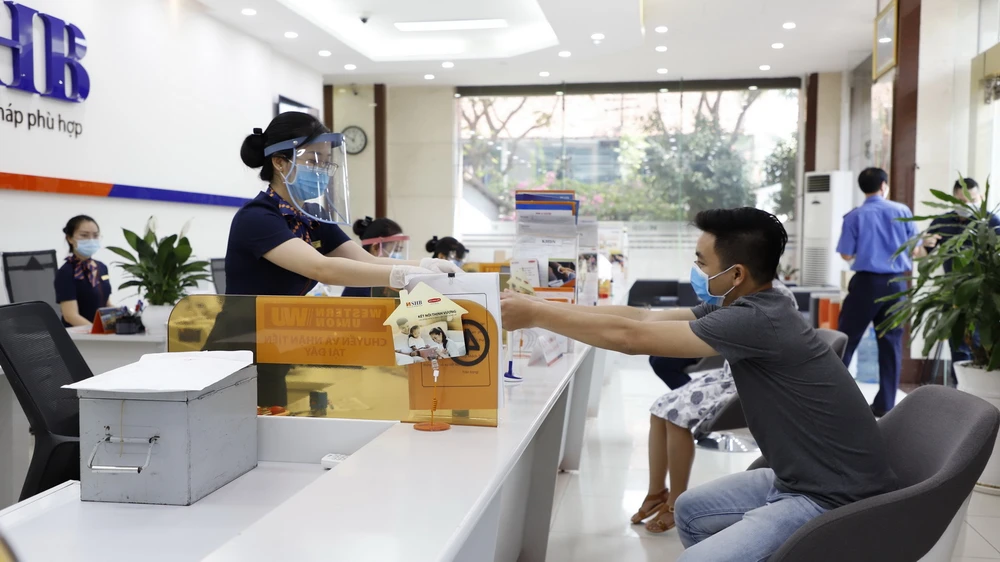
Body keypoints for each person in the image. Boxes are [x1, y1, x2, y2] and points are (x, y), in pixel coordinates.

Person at [501, 207, 896, 561]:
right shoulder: (744, 302)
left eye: (701, 262)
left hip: (832, 496)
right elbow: (643, 319)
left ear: (736, 274)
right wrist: (541, 304)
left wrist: (536, 316)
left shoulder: (756, 319)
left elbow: (631, 339)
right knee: (690, 511)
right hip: (797, 477)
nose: (696, 270)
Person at [207, 112, 461, 407]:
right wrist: (399, 276)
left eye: (326, 163)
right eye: (313, 161)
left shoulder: (310, 217)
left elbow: (365, 261)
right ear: (279, 162)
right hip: (234, 351)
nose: (321, 171)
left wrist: (425, 266)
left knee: (271, 424)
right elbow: (322, 268)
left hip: (273, 347)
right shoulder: (257, 218)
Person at [635, 280, 798, 535]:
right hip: (727, 376)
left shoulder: (772, 298)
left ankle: (675, 503)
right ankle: (656, 492)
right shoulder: (741, 293)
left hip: (749, 383)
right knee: (659, 409)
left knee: (675, 416)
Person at [836, 167, 918, 417]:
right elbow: (914, 250)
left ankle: (832, 401)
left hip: (866, 284)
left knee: (845, 341)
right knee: (891, 345)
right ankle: (885, 405)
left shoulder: (854, 216)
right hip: (897, 285)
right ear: (884, 185)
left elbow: (846, 254)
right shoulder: (902, 211)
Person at [914, 178, 1000, 385]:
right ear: (953, 199)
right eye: (961, 201)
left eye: (972, 200)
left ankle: (979, 391)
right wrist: (923, 245)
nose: (966, 205)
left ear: (981, 197)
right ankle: (960, 388)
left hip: (984, 294)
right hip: (954, 293)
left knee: (981, 343)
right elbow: (921, 255)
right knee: (958, 345)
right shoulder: (943, 222)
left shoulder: (991, 222)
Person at [55, 215, 112, 327]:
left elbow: (106, 304)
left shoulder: (101, 267)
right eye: (84, 235)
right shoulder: (66, 272)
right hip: (77, 333)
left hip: (100, 332)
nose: (91, 240)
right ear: (70, 238)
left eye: (95, 235)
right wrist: (96, 331)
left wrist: (124, 316)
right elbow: (70, 316)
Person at [341, 216, 408, 297]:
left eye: (400, 250)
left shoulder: (388, 283)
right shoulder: (359, 286)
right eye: (396, 250)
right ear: (375, 248)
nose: (399, 257)